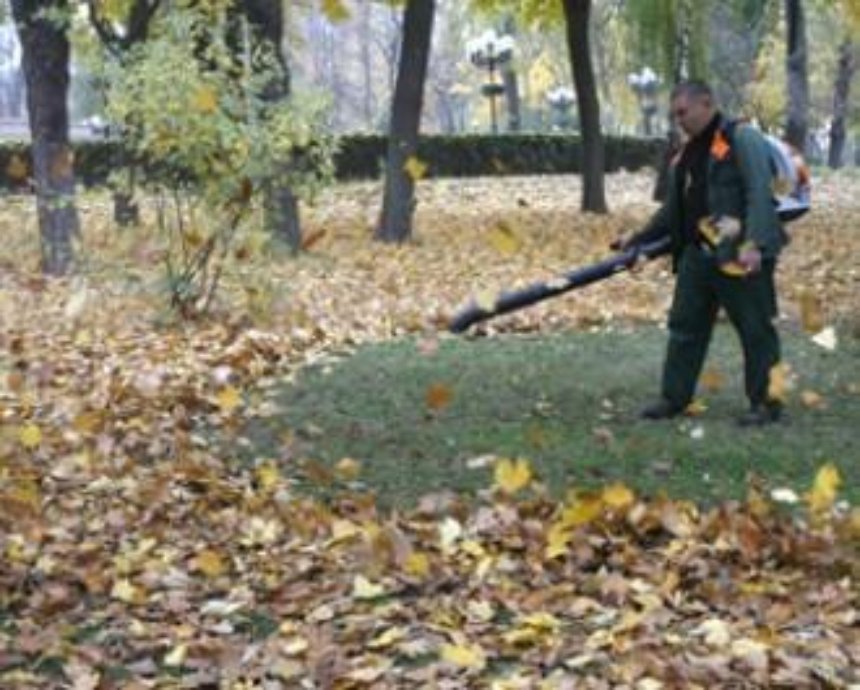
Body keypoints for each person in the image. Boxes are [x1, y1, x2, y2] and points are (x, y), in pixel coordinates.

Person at [618, 80, 788, 426]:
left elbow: (760, 193)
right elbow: (673, 210)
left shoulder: (742, 138)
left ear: (706, 103)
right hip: (697, 256)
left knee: (756, 330)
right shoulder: (687, 153)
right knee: (685, 328)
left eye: (683, 112)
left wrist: (754, 243)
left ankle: (766, 404)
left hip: (738, 254)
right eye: (674, 114)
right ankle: (673, 397)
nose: (679, 120)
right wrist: (638, 239)